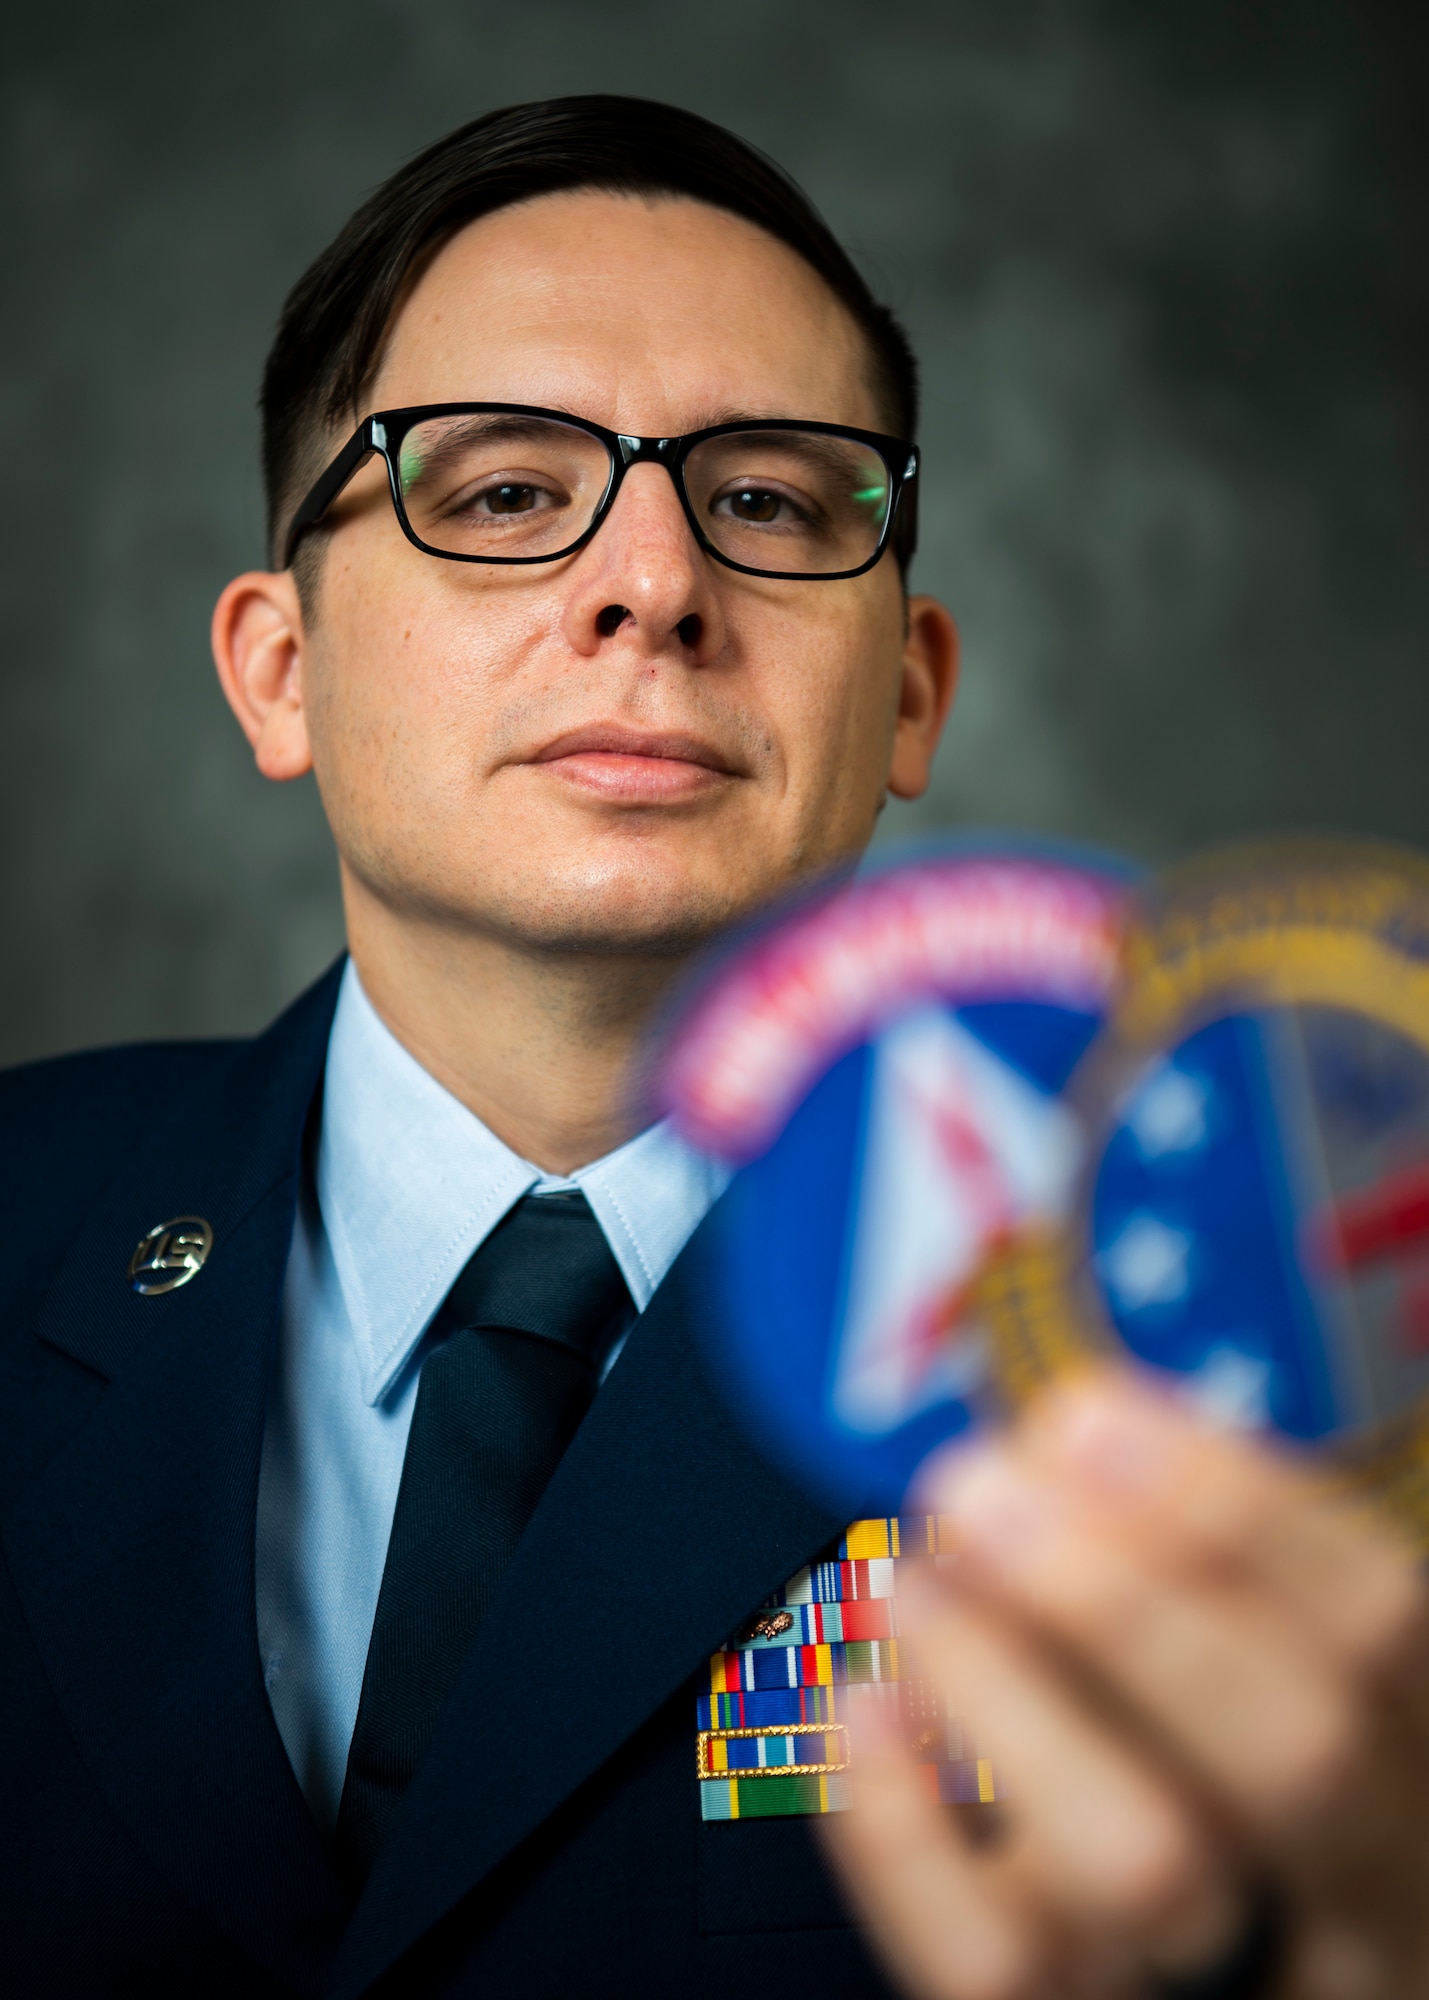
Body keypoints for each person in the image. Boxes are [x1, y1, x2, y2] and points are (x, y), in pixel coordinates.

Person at [0, 94, 1423, 2000]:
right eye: (501, 491)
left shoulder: (1265, 1346)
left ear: (908, 691)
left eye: (764, 499)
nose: (653, 585)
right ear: (283, 672)